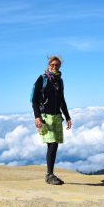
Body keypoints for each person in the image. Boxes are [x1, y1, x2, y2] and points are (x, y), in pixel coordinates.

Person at [32, 56, 72, 185]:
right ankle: (49, 175)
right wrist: (37, 116)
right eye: (52, 64)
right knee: (52, 143)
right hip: (45, 117)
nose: (55, 67)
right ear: (49, 65)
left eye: (57, 65)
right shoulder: (42, 79)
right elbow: (34, 100)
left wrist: (67, 117)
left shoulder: (59, 81)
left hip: (56, 116)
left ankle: (50, 174)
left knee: (54, 145)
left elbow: (62, 100)